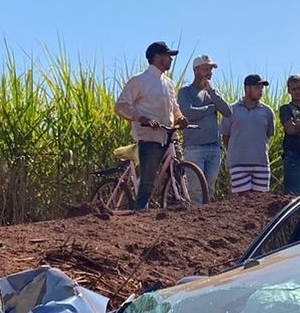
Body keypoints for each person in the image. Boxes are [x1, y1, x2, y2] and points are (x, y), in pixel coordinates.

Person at [115, 41, 187, 210]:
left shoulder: (169, 83)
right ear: (156, 57)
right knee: (147, 183)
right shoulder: (139, 81)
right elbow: (121, 106)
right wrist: (141, 118)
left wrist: (180, 118)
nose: (171, 59)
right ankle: (140, 213)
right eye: (168, 56)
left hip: (169, 137)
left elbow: (174, 107)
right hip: (149, 137)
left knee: (178, 172)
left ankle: (177, 206)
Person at [177, 55, 232, 202]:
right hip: (194, 148)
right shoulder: (186, 92)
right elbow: (188, 113)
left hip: (214, 148)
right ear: (196, 70)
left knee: (209, 190)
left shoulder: (213, 92)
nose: (209, 72)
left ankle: (205, 222)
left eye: (211, 69)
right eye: (206, 69)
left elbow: (228, 112)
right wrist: (211, 108)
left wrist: (212, 93)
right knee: (196, 192)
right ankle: (194, 223)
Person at [222, 75, 276, 195]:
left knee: (260, 204)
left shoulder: (267, 111)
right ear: (247, 88)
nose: (261, 90)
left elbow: (268, 135)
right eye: (257, 87)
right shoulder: (231, 110)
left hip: (261, 163)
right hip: (238, 164)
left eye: (262, 87)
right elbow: (226, 136)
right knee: (242, 203)